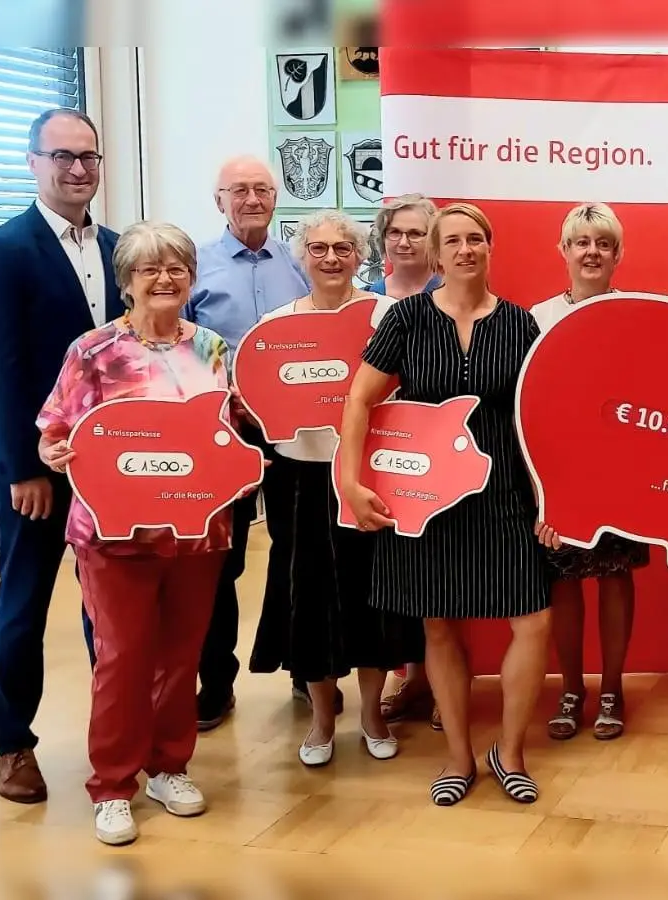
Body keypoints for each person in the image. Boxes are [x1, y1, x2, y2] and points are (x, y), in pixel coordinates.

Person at [35, 220, 244, 846]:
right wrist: (56, 452)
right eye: (150, 268)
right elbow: (54, 430)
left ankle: (168, 766)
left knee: (182, 657)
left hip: (196, 529)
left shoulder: (211, 348)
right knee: (123, 657)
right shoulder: (94, 351)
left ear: (190, 276)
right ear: (126, 280)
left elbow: (223, 430)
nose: (164, 278)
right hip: (113, 534)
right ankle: (112, 784)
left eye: (176, 267)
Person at [338, 203, 553, 807]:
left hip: (505, 492)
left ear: (490, 247)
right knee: (437, 627)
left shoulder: (519, 324)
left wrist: (550, 499)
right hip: (424, 501)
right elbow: (359, 401)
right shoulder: (406, 318)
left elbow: (539, 418)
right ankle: (458, 758)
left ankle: (508, 752)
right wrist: (352, 483)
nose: (465, 249)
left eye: (475, 239)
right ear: (436, 254)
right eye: (452, 241)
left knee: (534, 622)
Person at [0, 107, 122, 805]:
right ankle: (13, 747)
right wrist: (27, 463)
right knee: (24, 606)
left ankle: (115, 743)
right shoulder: (0, 250)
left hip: (112, 467)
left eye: (87, 156)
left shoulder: (120, 247)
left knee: (108, 611)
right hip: (36, 469)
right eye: (61, 156)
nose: (77, 168)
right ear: (34, 162)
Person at [245, 210, 422, 767]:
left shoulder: (386, 315)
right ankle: (322, 718)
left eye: (343, 248)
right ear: (301, 256)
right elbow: (255, 398)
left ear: (361, 255)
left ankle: (371, 712)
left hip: (373, 475)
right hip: (301, 476)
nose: (330, 258)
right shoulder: (276, 327)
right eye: (318, 248)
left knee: (369, 595)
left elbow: (413, 386)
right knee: (310, 597)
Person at [183, 155, 311, 731]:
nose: (252, 199)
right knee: (221, 561)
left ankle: (305, 668)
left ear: (276, 198)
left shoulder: (301, 264)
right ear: (219, 201)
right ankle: (216, 682)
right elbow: (181, 347)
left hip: (292, 434)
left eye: (262, 189)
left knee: (295, 549)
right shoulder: (195, 267)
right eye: (239, 190)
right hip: (222, 433)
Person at [530, 203, 650, 741]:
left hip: (622, 474)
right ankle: (572, 687)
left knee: (614, 575)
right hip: (556, 474)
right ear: (564, 251)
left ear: (618, 253)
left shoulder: (639, 315)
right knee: (563, 579)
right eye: (581, 242)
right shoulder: (534, 319)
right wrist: (541, 486)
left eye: (603, 243)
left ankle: (612, 689)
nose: (592, 252)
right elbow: (525, 406)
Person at [367, 192, 444, 299]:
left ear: (434, 240)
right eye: (395, 232)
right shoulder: (365, 300)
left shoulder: (455, 299)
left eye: (415, 234)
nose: (403, 243)